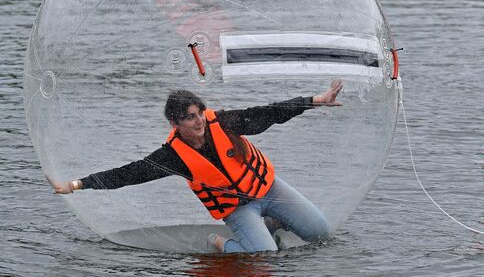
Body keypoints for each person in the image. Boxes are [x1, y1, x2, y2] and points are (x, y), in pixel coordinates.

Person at [48, 79, 344, 253]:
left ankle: (272, 222)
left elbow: (269, 113)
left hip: (269, 189)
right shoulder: (173, 156)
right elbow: (128, 174)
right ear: (175, 124)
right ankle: (220, 244)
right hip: (237, 209)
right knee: (264, 257)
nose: (199, 120)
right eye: (190, 117)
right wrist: (77, 184)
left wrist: (316, 100)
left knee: (320, 233)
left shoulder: (224, 123)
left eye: (199, 112)